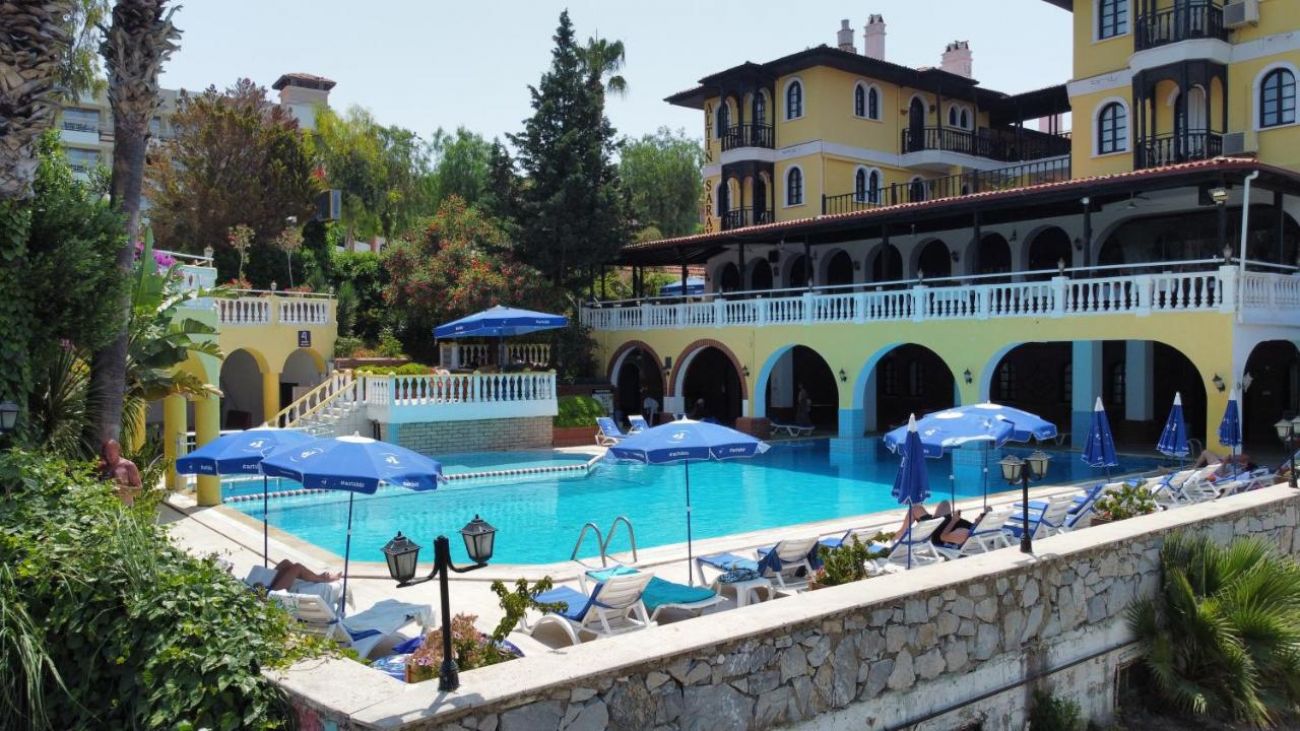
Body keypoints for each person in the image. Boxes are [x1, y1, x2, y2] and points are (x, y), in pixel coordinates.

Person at [99, 439, 142, 507]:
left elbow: (139, 491)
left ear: (118, 451)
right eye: (106, 453)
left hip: (124, 508)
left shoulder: (128, 466)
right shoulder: (102, 466)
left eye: (111, 453)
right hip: (105, 508)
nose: (108, 456)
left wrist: (121, 489)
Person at [263, 560, 341, 592]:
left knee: (286, 563)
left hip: (264, 589)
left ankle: (317, 577)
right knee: (297, 567)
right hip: (269, 596)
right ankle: (320, 579)